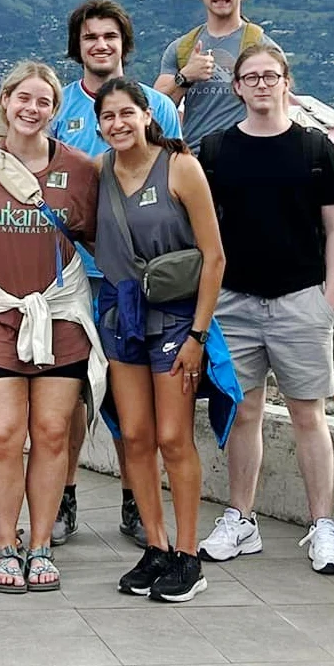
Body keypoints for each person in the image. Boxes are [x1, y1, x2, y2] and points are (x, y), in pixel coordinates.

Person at [195, 42, 334, 576]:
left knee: (309, 414)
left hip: (300, 299)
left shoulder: (315, 149)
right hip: (234, 302)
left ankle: (323, 525)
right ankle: (241, 517)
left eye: (271, 75)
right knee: (244, 413)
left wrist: (327, 297)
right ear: (237, 86)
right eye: (251, 77)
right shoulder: (215, 151)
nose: (262, 84)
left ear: (286, 82)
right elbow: (203, 231)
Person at [0, 60, 101, 594]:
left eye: (43, 101)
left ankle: (40, 542)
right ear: (5, 101)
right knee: (1, 433)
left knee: (52, 432)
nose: (32, 108)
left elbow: (98, 236)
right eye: (23, 98)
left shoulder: (81, 170)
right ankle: (4, 541)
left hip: (61, 314)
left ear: (54, 110)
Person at [92, 76, 229, 603]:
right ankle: (156, 545)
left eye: (127, 113)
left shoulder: (181, 168)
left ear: (148, 115)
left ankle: (189, 554)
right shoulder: (99, 172)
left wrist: (198, 333)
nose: (119, 124)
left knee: (174, 437)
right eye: (108, 117)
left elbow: (214, 257)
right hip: (124, 315)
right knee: (136, 436)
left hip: (175, 318)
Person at [52, 0, 183, 547]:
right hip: (74, 276)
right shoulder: (59, 106)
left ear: (125, 44)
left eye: (109, 37)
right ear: (76, 47)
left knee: (138, 406)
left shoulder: (158, 106)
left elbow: (178, 179)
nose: (100, 45)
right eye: (89, 38)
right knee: (72, 394)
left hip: (143, 282)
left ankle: (137, 501)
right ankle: (63, 498)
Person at [156, 0, 277, 155]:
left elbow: (276, 110)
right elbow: (155, 109)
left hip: (247, 157)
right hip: (194, 160)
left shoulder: (264, 48)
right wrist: (185, 77)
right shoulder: (181, 48)